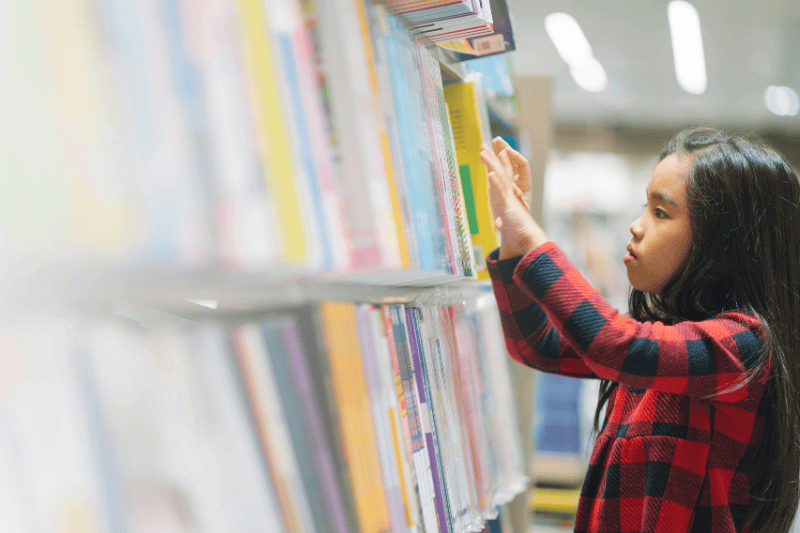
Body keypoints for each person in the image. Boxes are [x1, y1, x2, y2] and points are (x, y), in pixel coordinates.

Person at [479, 128, 800, 533]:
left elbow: (613, 343)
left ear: (722, 242)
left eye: (660, 212)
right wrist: (512, 243)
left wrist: (532, 241)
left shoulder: (744, 345)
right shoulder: (666, 332)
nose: (636, 226)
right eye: (644, 206)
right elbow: (536, 346)